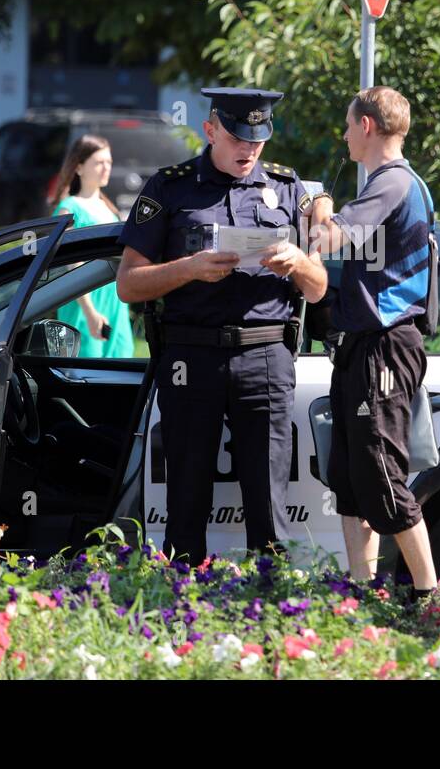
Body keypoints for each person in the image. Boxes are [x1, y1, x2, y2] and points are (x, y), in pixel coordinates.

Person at [116, 88, 327, 565]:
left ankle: (271, 602)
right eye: (237, 137)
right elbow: (128, 284)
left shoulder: (289, 188)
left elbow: (317, 290)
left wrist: (296, 262)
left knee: (269, 502)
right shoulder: (170, 188)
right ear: (210, 131)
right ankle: (184, 608)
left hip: (266, 357)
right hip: (192, 358)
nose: (249, 149)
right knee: (186, 497)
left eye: (258, 139)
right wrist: (189, 268)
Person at [308, 86, 440, 603]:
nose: (343, 135)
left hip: (386, 344)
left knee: (382, 475)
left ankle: (429, 596)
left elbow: (331, 239)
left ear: (367, 125)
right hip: (363, 344)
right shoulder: (392, 184)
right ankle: (361, 593)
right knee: (350, 479)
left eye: (347, 124)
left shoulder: (392, 183)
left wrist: (318, 208)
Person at [52, 135, 136, 359]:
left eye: (108, 162)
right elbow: (71, 264)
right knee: (85, 376)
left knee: (122, 371)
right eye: (99, 162)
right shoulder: (69, 208)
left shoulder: (108, 207)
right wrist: (90, 312)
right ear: (79, 167)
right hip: (85, 304)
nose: (106, 168)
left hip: (114, 302)